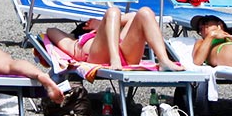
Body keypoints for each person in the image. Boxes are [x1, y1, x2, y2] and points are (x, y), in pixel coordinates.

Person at [45, 5, 182, 71]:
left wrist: (101, 25)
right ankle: (114, 59)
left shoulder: (112, 32)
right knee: (113, 11)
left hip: (124, 53)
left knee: (145, 12)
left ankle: (164, 60)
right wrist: (72, 35)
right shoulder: (76, 41)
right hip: (100, 56)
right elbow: (51, 31)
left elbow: (132, 16)